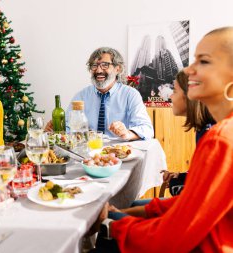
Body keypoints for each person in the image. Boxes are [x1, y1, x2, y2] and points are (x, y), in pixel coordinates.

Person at [91, 27, 233, 252]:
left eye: (204, 61)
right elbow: (189, 205)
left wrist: (111, 225)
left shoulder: (221, 140)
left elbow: (171, 238)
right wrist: (127, 214)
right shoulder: (222, 132)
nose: (188, 69)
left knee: (101, 237)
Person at [47, 47, 153, 140]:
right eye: (94, 65)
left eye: (105, 65)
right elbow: (67, 127)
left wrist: (128, 133)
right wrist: (55, 129)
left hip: (119, 154)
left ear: (118, 68)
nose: (98, 70)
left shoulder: (131, 95)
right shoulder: (81, 96)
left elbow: (147, 129)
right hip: (87, 154)